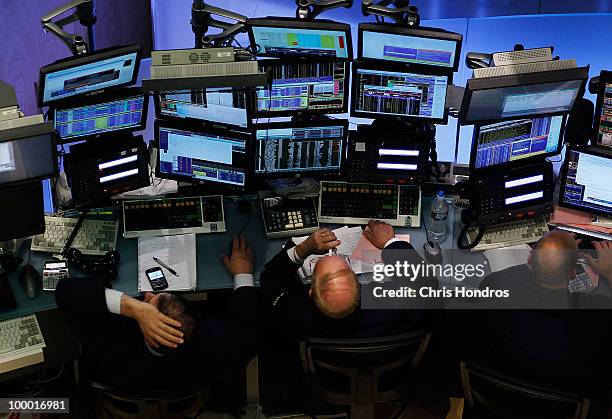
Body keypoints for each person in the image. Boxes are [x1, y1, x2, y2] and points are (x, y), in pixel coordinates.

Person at [56, 235, 258, 410]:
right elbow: (248, 331)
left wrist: (132, 307)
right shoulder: (222, 346)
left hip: (117, 383)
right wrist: (243, 273)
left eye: (147, 303)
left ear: (150, 337)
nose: (147, 293)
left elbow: (66, 292)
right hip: (189, 390)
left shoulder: (111, 346)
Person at [473, 232, 612, 414]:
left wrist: (551, 254)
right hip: (559, 410)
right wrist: (609, 273)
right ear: (572, 274)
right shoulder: (597, 316)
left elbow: (491, 284)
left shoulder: (497, 285)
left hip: (496, 400)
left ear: (529, 260)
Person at [260, 220, 438, 339]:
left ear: (311, 291)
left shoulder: (293, 313)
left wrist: (303, 249)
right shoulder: (396, 307)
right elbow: (427, 285)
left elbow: (270, 278)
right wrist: (390, 242)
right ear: (359, 286)